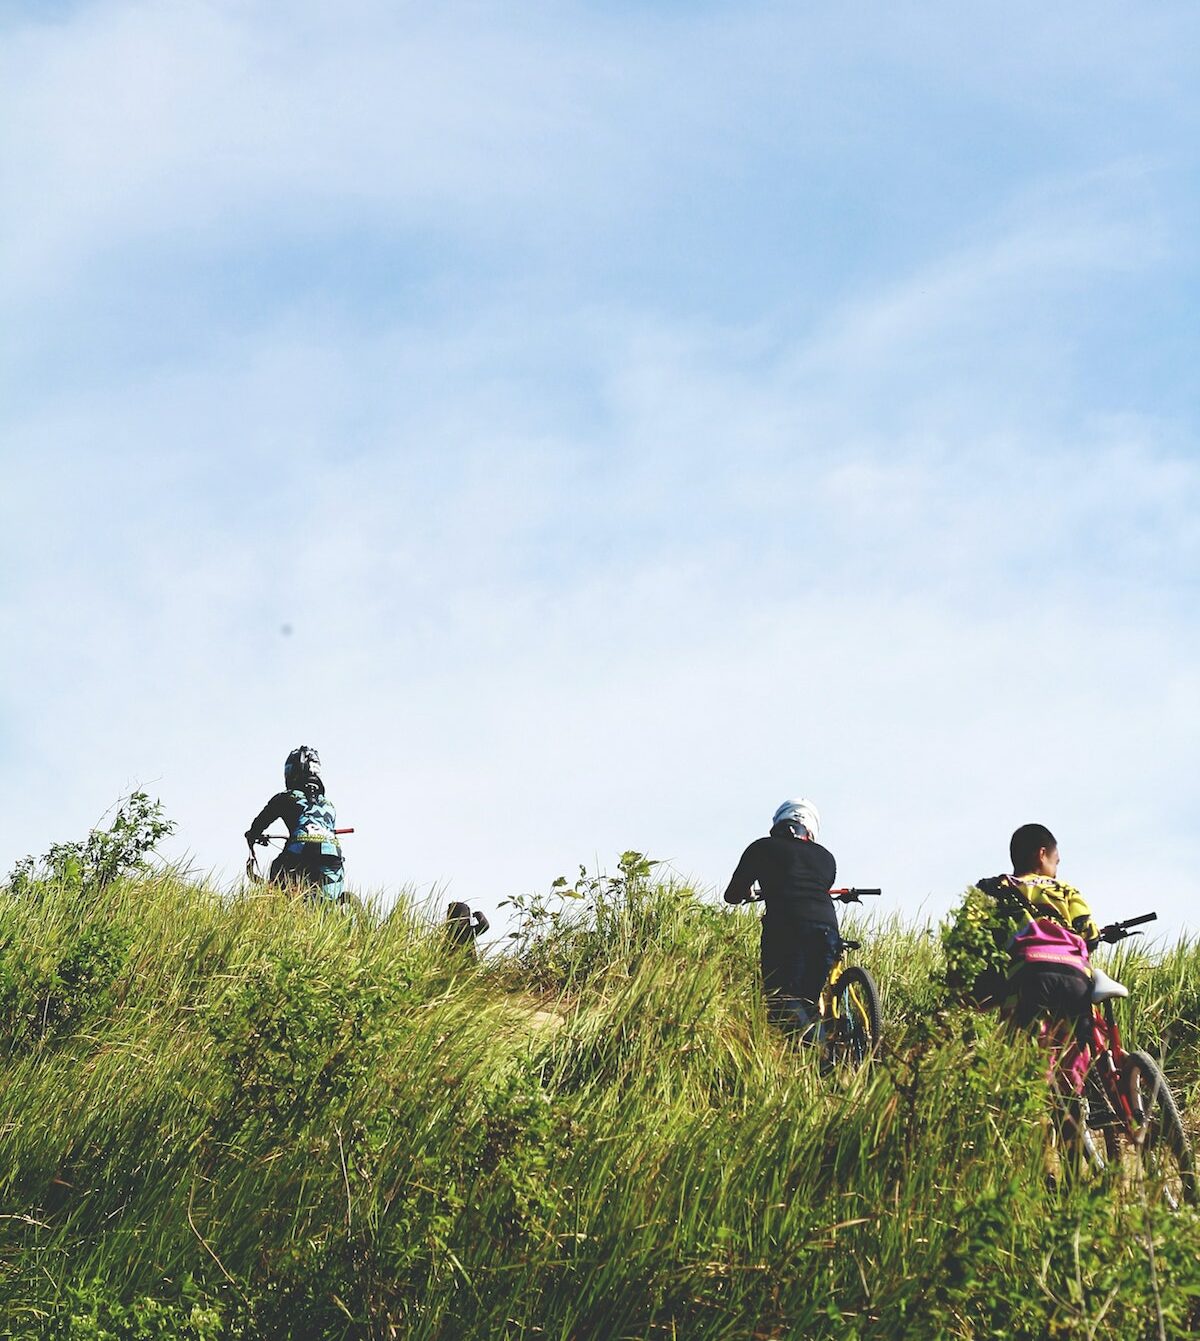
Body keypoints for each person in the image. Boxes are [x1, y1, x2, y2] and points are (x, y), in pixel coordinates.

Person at [724, 798, 838, 1036]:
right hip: (828, 929)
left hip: (787, 927)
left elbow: (732, 895)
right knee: (808, 1000)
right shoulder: (827, 858)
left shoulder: (762, 848)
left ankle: (819, 1049)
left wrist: (748, 892)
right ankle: (827, 1052)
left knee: (781, 1000)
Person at [245, 746, 345, 903]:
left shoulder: (286, 797)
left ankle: (280, 909)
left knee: (278, 869)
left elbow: (262, 821)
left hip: (300, 848)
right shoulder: (329, 804)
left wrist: (253, 833)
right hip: (331, 852)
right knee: (328, 900)